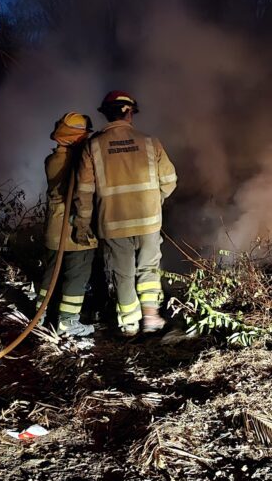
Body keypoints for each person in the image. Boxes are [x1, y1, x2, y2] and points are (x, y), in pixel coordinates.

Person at [73, 91, 177, 336]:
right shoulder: (150, 142)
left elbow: (84, 191)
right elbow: (170, 181)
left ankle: (129, 324)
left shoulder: (93, 146)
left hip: (113, 222)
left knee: (123, 273)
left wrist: (82, 224)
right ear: (130, 112)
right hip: (148, 220)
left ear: (106, 114)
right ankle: (151, 318)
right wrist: (155, 200)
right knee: (149, 268)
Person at [37, 112, 97, 337]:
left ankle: (40, 315)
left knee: (51, 273)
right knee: (77, 275)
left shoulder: (52, 160)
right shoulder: (77, 163)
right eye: (83, 136)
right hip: (74, 230)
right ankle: (67, 322)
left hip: (54, 229)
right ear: (74, 137)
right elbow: (83, 192)